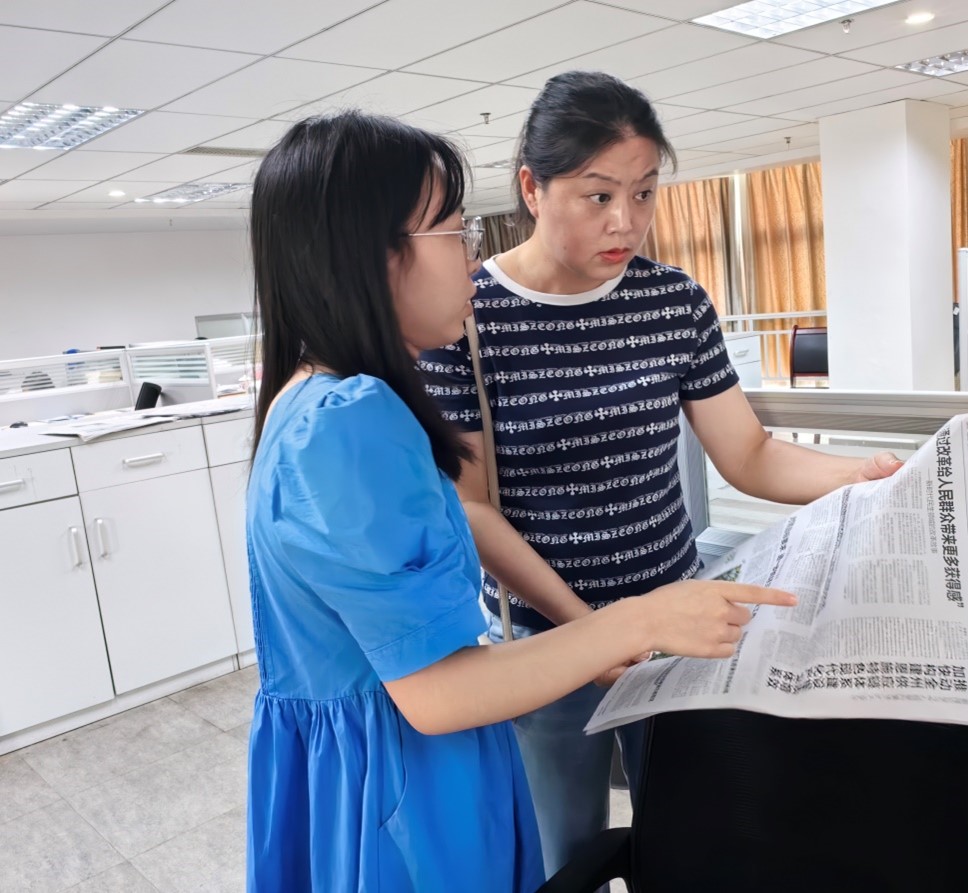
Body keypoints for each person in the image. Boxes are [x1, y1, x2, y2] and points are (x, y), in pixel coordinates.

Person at [244, 110, 796, 892]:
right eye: (453, 231)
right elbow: (437, 690)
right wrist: (638, 619)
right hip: (404, 786)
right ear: (373, 253)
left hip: (385, 768)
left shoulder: (315, 401)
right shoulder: (351, 421)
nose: (470, 261)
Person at [418, 70, 904, 882]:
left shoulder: (673, 301)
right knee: (561, 854)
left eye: (644, 192)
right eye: (598, 195)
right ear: (533, 188)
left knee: (687, 832)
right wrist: (591, 630)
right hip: (546, 642)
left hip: (675, 632)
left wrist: (865, 475)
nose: (627, 221)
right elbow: (474, 509)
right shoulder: (466, 317)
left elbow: (749, 454)